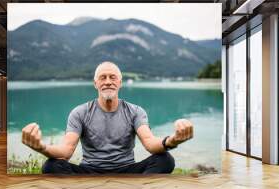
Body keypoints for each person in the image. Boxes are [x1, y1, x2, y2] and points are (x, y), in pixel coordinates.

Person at [22, 61, 194, 174]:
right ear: (95, 83)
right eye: (102, 78)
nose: (108, 81)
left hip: (127, 170)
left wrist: (173, 140)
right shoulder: (80, 112)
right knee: (51, 166)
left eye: (113, 77)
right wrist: (41, 147)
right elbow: (66, 151)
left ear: (120, 82)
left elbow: (150, 143)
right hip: (89, 171)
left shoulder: (135, 111)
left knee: (165, 159)